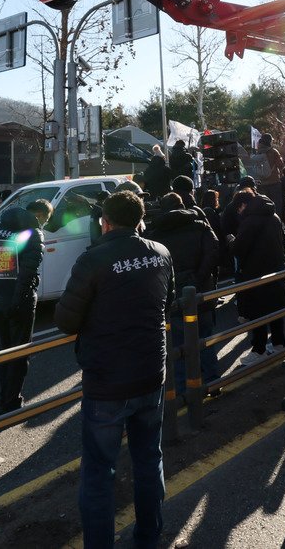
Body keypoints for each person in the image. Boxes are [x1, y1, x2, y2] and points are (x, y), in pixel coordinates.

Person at [54, 191, 174, 549]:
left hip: (106, 380)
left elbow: (65, 321)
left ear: (104, 223)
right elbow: (164, 301)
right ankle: (149, 538)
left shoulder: (93, 260)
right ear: (140, 220)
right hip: (151, 371)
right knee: (149, 459)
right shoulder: (160, 253)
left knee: (98, 473)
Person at [0, 206, 45, 415]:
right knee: (20, 352)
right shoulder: (33, 233)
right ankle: (12, 402)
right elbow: (28, 273)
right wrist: (19, 298)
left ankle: (4, 397)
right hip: (20, 302)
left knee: (4, 349)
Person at [147, 191, 221, 391]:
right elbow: (214, 250)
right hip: (201, 290)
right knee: (205, 338)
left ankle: (181, 389)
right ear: (183, 204)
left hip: (173, 294)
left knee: (177, 344)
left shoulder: (157, 233)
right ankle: (213, 381)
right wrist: (199, 277)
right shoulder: (200, 225)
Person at [231, 188, 285, 366]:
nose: (239, 213)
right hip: (278, 270)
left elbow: (239, 249)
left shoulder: (250, 221)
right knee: (276, 310)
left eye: (238, 209)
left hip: (256, 273)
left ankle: (259, 350)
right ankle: (279, 345)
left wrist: (232, 243)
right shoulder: (274, 216)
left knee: (258, 314)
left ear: (243, 205)